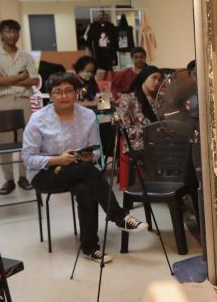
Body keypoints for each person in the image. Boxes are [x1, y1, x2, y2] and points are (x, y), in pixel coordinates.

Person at [23, 72, 144, 262]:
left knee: (85, 189)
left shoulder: (87, 115)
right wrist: (58, 160)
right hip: (45, 174)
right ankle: (118, 215)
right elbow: (28, 158)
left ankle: (90, 247)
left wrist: (90, 156)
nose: (64, 96)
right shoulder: (38, 119)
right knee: (86, 171)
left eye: (69, 91)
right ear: (51, 95)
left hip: (78, 171)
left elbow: (97, 153)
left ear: (77, 92)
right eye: (58, 92)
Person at [0, 19, 40, 195]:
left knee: (27, 140)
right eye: (8, 31)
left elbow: (34, 80)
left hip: (24, 99)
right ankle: (8, 179)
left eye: (15, 32)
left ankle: (24, 176)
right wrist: (19, 77)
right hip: (3, 100)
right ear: (1, 34)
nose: (12, 35)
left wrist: (4, 78)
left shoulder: (26, 56)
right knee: (5, 141)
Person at [118, 65, 162, 151]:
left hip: (161, 143)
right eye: (154, 78)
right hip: (138, 146)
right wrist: (151, 130)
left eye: (160, 80)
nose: (157, 82)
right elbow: (125, 130)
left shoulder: (160, 99)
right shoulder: (128, 99)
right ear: (144, 77)